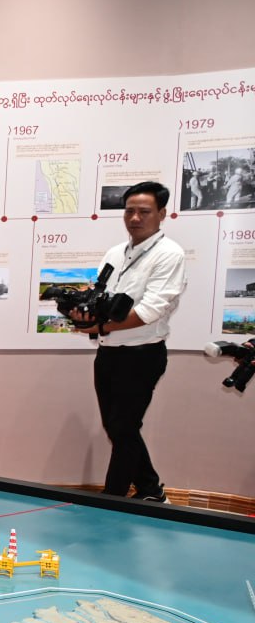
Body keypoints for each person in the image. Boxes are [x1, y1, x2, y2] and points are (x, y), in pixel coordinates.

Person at [70, 181, 186, 501]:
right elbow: (100, 296)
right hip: (108, 353)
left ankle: (112, 500)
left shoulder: (169, 254)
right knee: (117, 427)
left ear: (161, 214)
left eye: (144, 212)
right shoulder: (114, 253)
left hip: (142, 354)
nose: (135, 218)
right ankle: (151, 490)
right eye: (129, 211)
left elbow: (149, 311)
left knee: (123, 427)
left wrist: (99, 326)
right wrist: (85, 315)